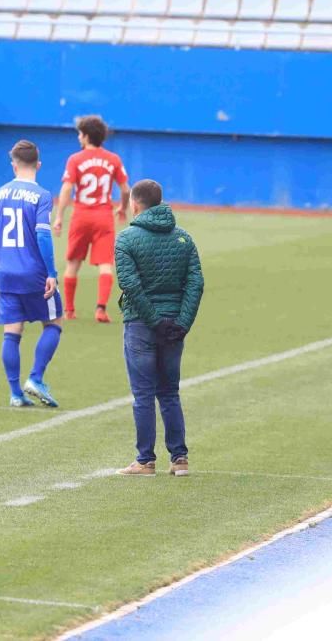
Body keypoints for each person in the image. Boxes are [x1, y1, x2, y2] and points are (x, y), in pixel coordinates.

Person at [115, 180, 204, 477]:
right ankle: (180, 459)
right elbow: (195, 284)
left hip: (141, 324)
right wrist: (181, 323)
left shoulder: (126, 239)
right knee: (169, 393)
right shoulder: (184, 239)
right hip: (173, 328)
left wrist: (154, 320)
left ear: (136, 205)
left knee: (143, 395)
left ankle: (145, 461)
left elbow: (130, 285)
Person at [0, 140, 63, 408]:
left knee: (12, 331)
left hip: (5, 272)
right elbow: (43, 235)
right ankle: (36, 378)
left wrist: (3, 259)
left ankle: (15, 393)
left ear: (13, 165)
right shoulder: (42, 195)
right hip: (34, 273)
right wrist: (51, 272)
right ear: (38, 165)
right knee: (54, 322)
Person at [53, 115, 131, 323]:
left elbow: (67, 188)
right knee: (106, 264)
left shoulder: (75, 159)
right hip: (104, 216)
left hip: (81, 216)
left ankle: (69, 310)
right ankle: (101, 309)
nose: (79, 137)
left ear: (86, 137)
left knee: (73, 263)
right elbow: (125, 189)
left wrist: (59, 216)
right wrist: (123, 207)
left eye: (80, 134)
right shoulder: (113, 159)